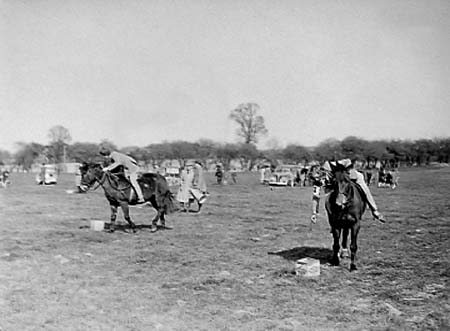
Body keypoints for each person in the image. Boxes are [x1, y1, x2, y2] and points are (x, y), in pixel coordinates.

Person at [311, 159, 386, 224]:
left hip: (350, 175)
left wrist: (348, 174)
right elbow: (316, 197)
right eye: (316, 178)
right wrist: (314, 213)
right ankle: (333, 222)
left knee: (364, 188)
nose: (319, 180)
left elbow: (347, 162)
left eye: (319, 176)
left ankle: (374, 210)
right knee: (328, 199)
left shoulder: (330, 166)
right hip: (334, 183)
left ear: (323, 171)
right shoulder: (318, 182)